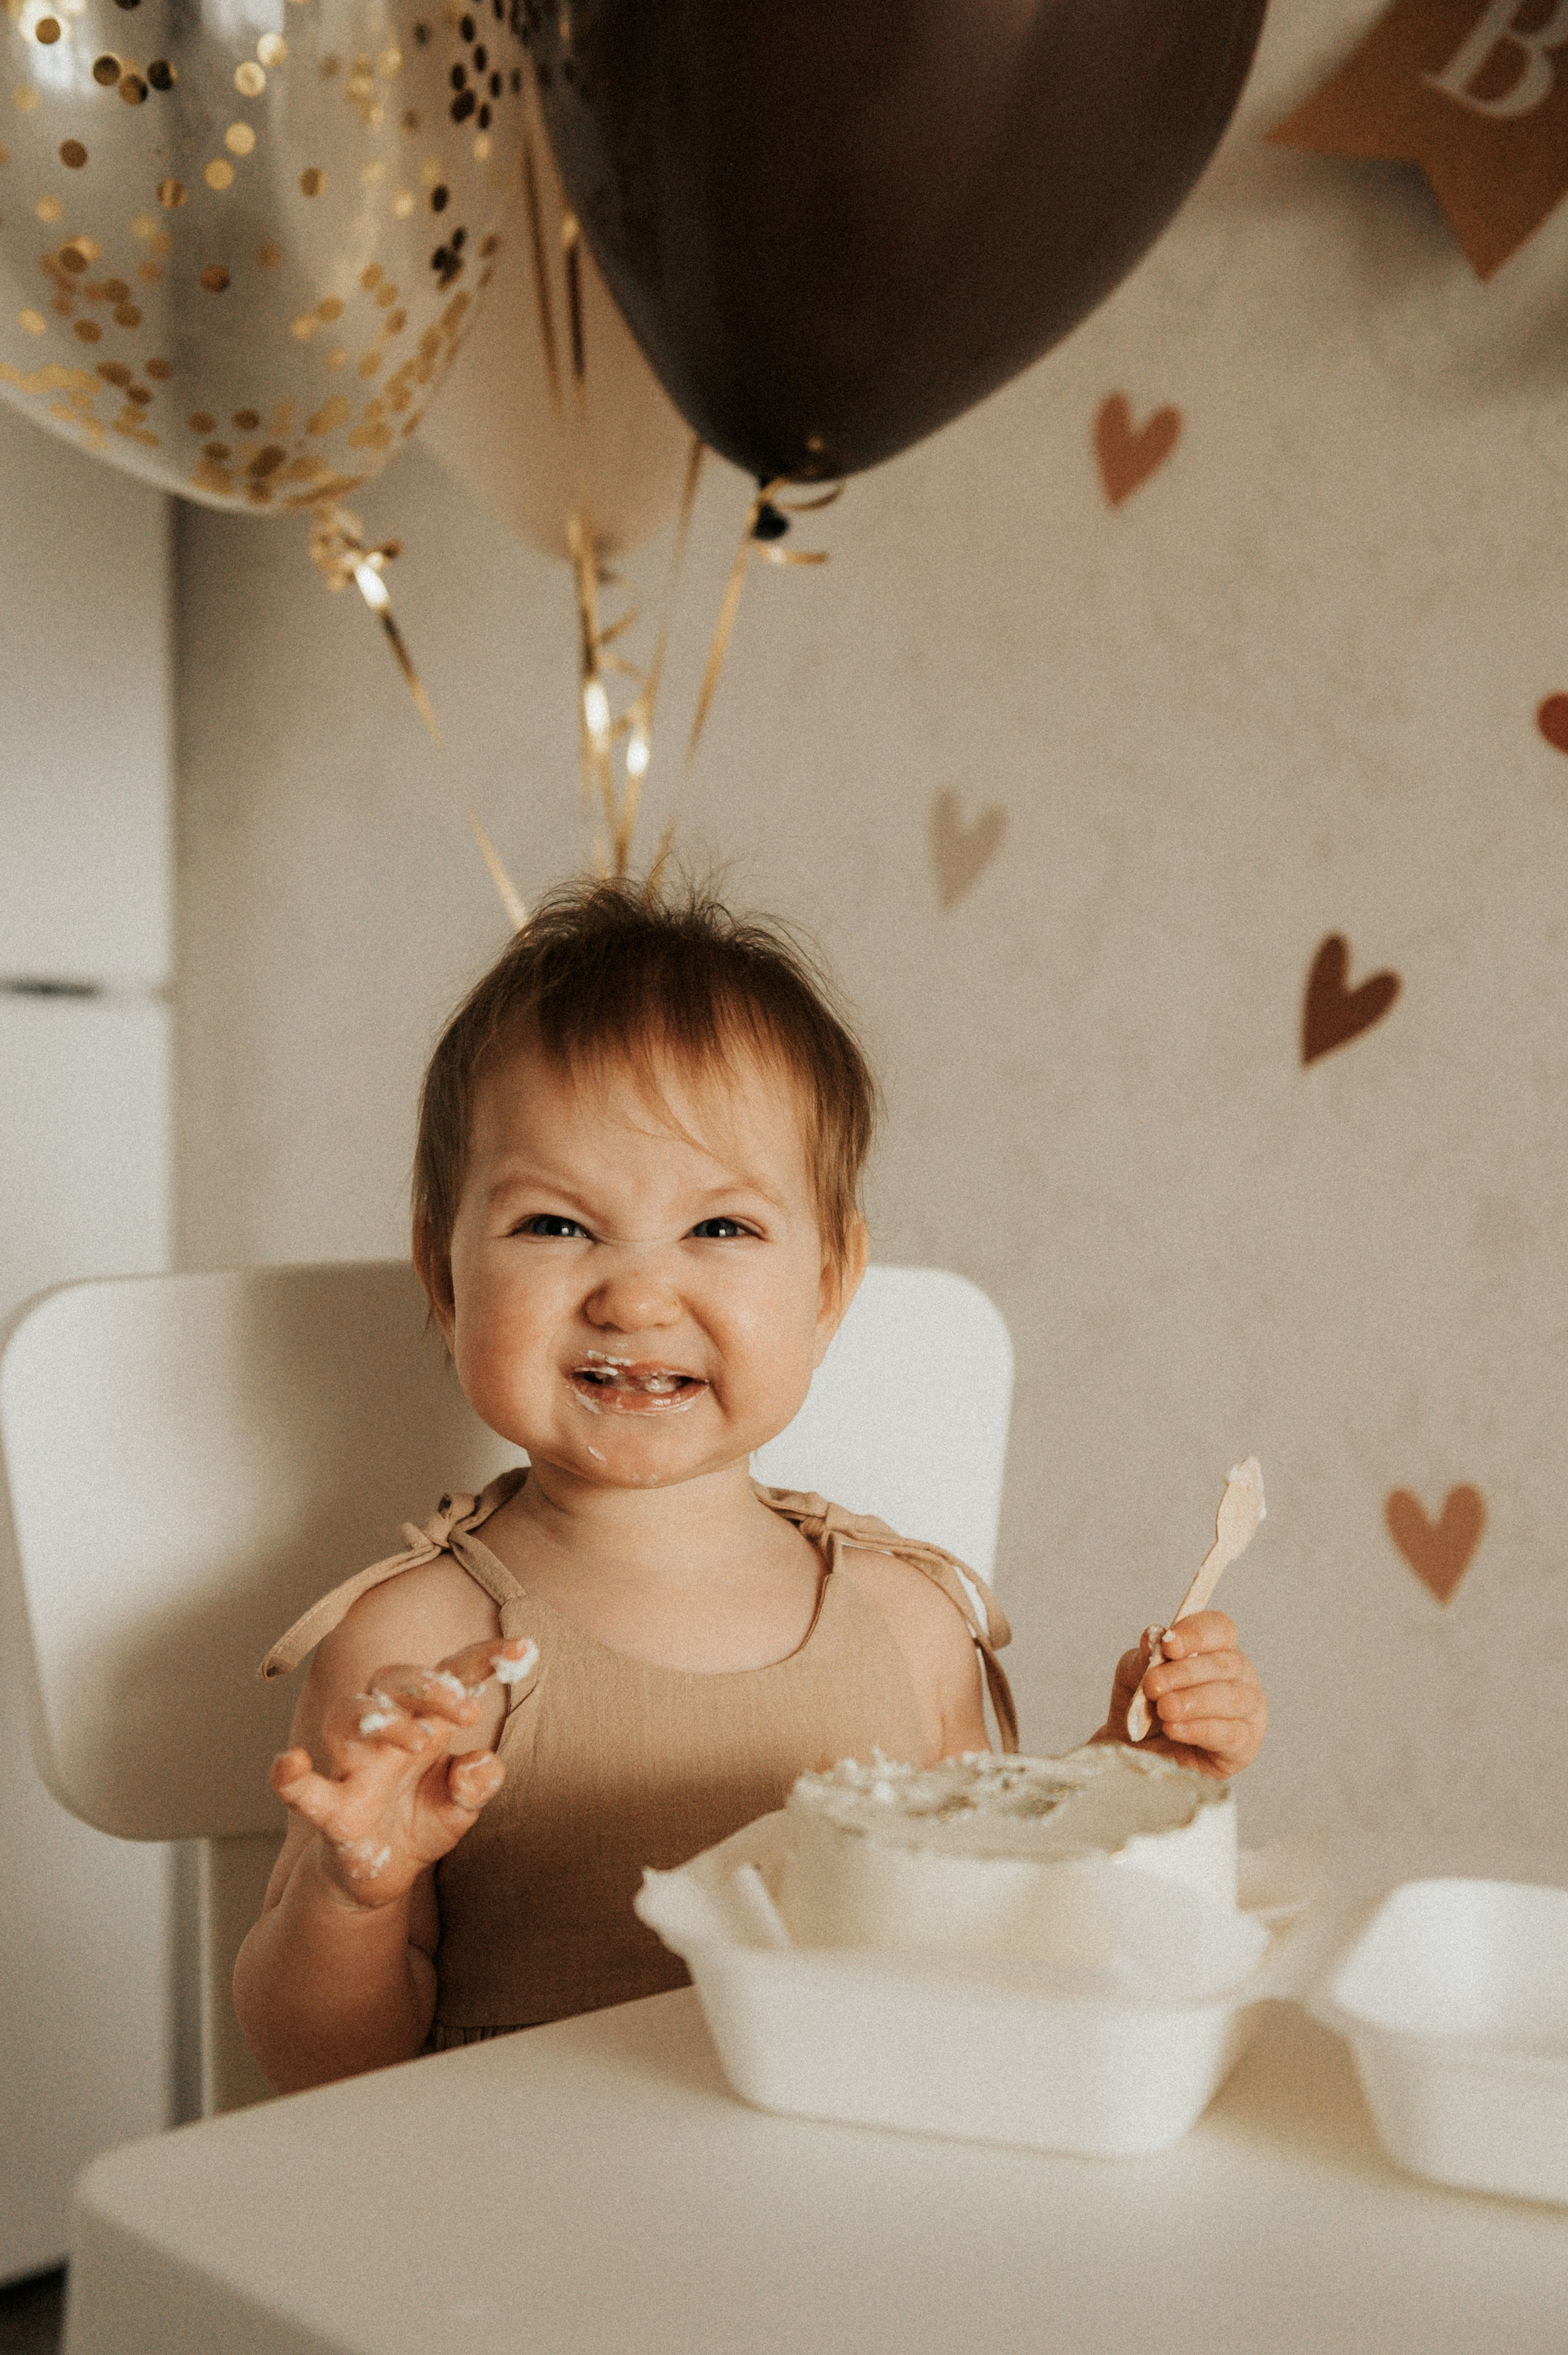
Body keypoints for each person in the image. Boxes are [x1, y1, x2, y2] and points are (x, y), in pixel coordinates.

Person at [233, 881, 1267, 2091]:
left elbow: (1004, 1929)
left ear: (829, 1281)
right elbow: (319, 2073)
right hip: (528, 2226)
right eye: (556, 1225)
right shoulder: (414, 1649)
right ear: (443, 1271)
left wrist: (1134, 1776)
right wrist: (352, 1888)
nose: (635, 1293)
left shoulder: (908, 1619)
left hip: (854, 2198)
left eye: (718, 1228)